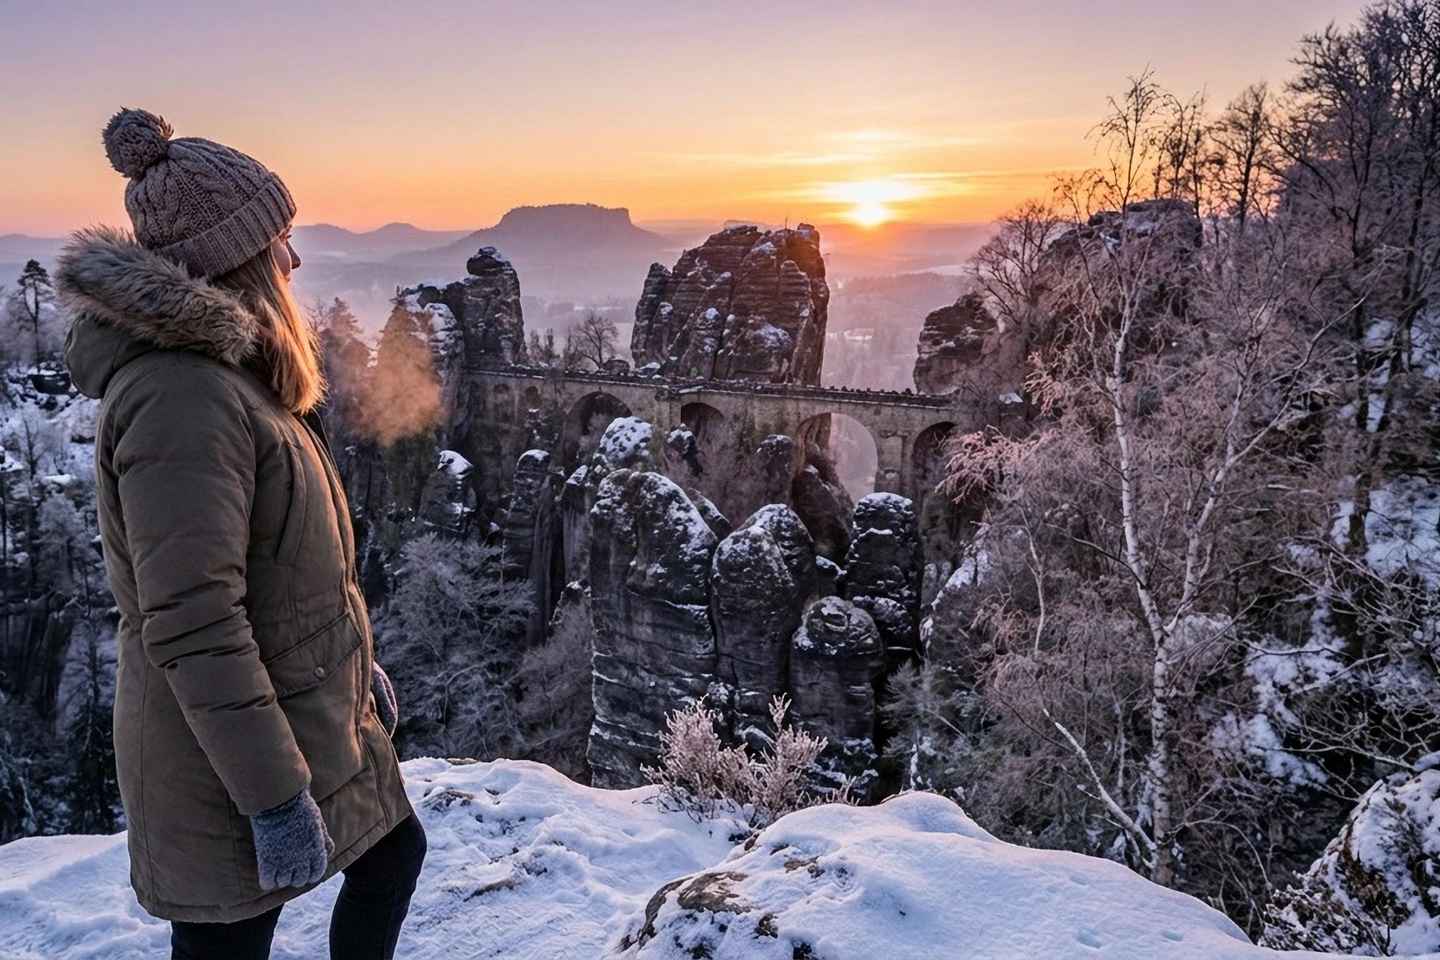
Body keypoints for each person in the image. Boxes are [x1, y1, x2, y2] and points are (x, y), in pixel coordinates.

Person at [57, 108, 425, 960]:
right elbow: (194, 620)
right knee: (226, 942)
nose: (293, 257)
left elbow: (283, 562)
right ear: (237, 257)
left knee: (391, 854)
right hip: (220, 758)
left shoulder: (233, 374)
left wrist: (355, 668)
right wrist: (271, 800)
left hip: (295, 710)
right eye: (280, 237)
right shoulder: (181, 398)